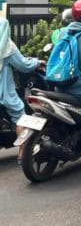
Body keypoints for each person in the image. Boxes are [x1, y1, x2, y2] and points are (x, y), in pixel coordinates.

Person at [0, 18, 44, 161]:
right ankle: (23, 152)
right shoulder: (7, 47)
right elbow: (24, 65)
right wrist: (37, 62)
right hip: (4, 91)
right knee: (19, 114)